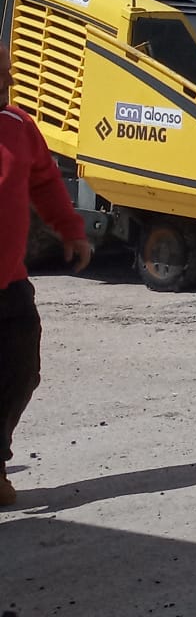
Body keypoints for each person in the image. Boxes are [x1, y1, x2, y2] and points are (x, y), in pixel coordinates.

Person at [0, 44, 93, 506]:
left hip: (9, 282)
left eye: (6, 73)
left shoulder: (18, 125)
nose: (4, 82)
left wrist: (72, 231)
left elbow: (44, 181)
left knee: (21, 373)